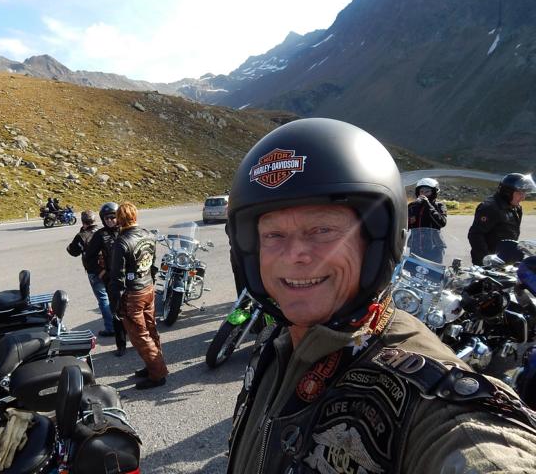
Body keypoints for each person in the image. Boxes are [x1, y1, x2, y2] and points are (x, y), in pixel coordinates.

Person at [225, 118, 536, 473]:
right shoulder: (277, 343)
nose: (295, 254)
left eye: (323, 229)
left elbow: (480, 449)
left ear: (377, 242)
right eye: (273, 235)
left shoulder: (428, 399)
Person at [108, 202, 168, 389]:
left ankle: (158, 374)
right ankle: (152, 366)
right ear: (135, 216)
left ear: (119, 219)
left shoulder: (122, 242)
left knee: (140, 336)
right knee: (150, 330)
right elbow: (152, 264)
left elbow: (117, 277)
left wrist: (115, 304)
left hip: (133, 293)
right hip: (148, 288)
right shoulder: (149, 235)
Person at [468, 173, 536, 265]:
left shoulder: (515, 207)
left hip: (505, 259)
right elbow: (475, 235)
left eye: (524, 193)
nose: (523, 197)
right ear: (508, 192)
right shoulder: (490, 208)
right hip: (489, 263)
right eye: (520, 193)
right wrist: (486, 259)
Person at [84, 202, 127, 349]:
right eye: (106, 218)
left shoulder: (126, 230)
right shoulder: (100, 235)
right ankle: (121, 345)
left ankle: (135, 336)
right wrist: (101, 272)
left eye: (112, 217)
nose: (110, 220)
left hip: (129, 276)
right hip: (112, 278)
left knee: (132, 308)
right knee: (116, 311)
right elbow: (89, 258)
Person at [66, 210, 113, 339]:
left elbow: (72, 251)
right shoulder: (103, 231)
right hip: (109, 269)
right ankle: (121, 324)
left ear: (83, 222)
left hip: (95, 271)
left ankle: (111, 327)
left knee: (103, 299)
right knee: (114, 296)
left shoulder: (82, 235)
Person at [407, 177, 447, 262]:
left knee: (434, 269)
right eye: (421, 191)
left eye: (427, 191)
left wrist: (428, 205)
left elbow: (442, 222)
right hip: (415, 246)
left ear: (434, 192)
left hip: (434, 246)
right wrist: (410, 220)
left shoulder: (439, 206)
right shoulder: (412, 206)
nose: (424, 194)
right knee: (412, 268)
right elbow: (405, 225)